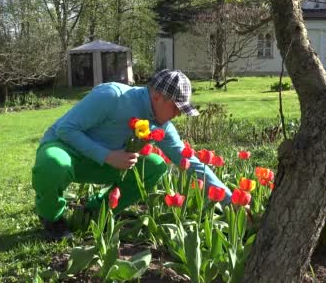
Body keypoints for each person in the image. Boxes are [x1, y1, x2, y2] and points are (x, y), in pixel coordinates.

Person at [31, 69, 232, 240]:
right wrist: (108, 155)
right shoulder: (112, 96)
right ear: (157, 97)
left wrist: (230, 201)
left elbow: (190, 162)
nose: (178, 114)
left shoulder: (162, 125)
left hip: (100, 163)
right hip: (65, 148)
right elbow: (66, 129)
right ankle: (52, 218)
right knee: (53, 164)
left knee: (155, 165)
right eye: (176, 108)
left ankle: (95, 211)